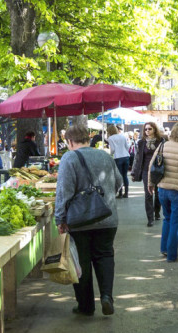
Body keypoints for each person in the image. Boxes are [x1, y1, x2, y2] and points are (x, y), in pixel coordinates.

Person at [55, 122, 123, 317]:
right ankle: (107, 297)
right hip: (108, 217)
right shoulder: (104, 155)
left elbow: (64, 191)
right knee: (105, 256)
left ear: (69, 141)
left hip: (80, 221)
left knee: (81, 261)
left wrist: (59, 218)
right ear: (88, 138)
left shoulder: (69, 158)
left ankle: (86, 306)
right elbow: (118, 182)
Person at [149, 121, 178, 262]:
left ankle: (164, 249)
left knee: (167, 219)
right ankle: (172, 255)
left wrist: (151, 183)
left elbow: (152, 165)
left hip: (163, 189)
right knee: (175, 222)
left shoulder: (163, 145)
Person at [131, 121, 163, 227]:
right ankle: (150, 218)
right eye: (145, 129)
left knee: (158, 194)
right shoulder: (141, 142)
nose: (147, 131)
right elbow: (137, 158)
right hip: (145, 170)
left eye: (149, 129)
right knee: (148, 194)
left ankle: (157, 212)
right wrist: (134, 172)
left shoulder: (161, 141)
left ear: (154, 129)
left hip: (158, 170)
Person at [107, 124, 131, 198]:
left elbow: (113, 149)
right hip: (126, 156)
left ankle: (120, 193)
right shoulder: (122, 136)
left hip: (118, 157)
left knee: (119, 176)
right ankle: (126, 193)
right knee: (125, 175)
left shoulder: (110, 138)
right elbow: (127, 147)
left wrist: (110, 154)